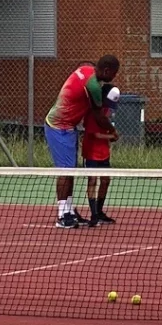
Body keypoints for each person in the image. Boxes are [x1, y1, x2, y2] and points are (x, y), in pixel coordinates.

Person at [44, 55, 120, 229]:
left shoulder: (87, 71)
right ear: (107, 71)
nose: (114, 77)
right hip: (58, 127)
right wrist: (113, 131)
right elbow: (99, 116)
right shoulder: (93, 86)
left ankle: (69, 210)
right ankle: (62, 215)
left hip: (69, 128)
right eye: (114, 74)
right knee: (65, 171)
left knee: (71, 170)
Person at [82, 84, 121, 227]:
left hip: (104, 153)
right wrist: (112, 135)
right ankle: (93, 215)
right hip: (91, 152)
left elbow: (105, 130)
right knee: (92, 181)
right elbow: (96, 134)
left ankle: (99, 212)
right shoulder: (93, 112)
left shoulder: (107, 111)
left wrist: (111, 136)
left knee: (105, 180)